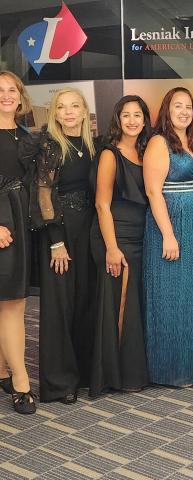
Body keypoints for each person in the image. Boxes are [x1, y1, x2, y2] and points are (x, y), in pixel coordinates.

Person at [22, 88, 98, 404]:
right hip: (59, 234)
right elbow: (43, 194)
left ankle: (81, 374)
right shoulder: (50, 147)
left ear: (84, 111)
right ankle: (59, 383)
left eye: (74, 106)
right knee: (59, 307)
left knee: (84, 303)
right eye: (62, 107)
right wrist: (56, 242)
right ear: (54, 113)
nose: (68, 112)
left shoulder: (94, 147)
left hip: (88, 232)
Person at [143, 87, 193, 387]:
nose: (183, 111)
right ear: (166, 111)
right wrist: (168, 235)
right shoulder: (159, 142)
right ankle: (170, 366)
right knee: (172, 293)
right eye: (177, 106)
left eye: (188, 106)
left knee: (192, 291)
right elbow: (153, 191)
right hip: (170, 223)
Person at [89, 96, 152, 396]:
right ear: (117, 119)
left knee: (135, 306)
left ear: (144, 119)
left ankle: (135, 371)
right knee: (118, 305)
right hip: (117, 236)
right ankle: (116, 376)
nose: (131, 120)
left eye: (137, 115)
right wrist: (111, 248)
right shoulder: (109, 155)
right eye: (125, 115)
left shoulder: (146, 150)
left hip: (142, 235)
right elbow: (102, 205)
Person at [0, 70, 36, 414]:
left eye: (12, 89)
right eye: (0, 90)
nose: (7, 95)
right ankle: (21, 381)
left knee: (7, 301)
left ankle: (0, 369)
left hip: (21, 223)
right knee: (12, 304)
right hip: (1, 225)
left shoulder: (26, 135)